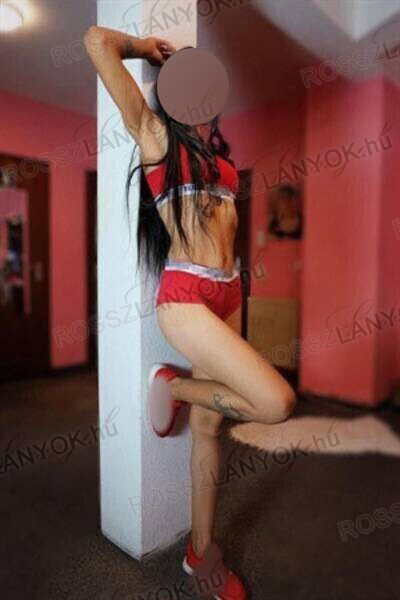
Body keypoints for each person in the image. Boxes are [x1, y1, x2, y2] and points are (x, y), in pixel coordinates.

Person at [84, 27, 297, 600]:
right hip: (186, 297)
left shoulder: (219, 158)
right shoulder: (156, 138)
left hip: (229, 292)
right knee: (276, 403)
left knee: (209, 429)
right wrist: (145, 49)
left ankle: (200, 552)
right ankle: (173, 388)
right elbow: (95, 42)